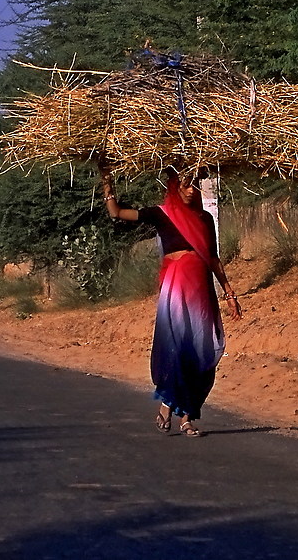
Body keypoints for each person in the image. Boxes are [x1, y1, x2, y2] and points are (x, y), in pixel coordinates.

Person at [98, 163, 241, 437]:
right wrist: (107, 179)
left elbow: (213, 259)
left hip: (201, 291)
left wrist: (229, 293)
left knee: (200, 349)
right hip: (176, 291)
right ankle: (168, 403)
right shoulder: (161, 214)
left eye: (194, 184)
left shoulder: (204, 219)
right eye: (185, 184)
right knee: (176, 348)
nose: (191, 190)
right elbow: (116, 212)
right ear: (174, 186)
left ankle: (187, 417)